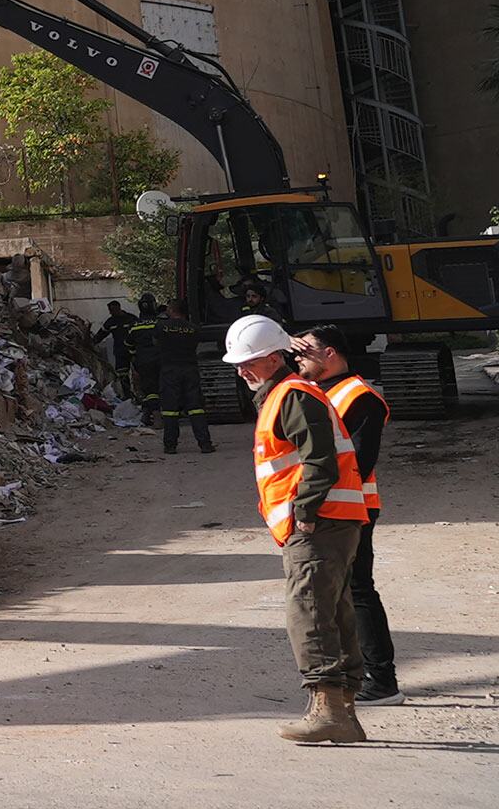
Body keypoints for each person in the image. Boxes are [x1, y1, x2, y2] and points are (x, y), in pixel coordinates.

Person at [221, 314, 373, 744]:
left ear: (273, 359)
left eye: (249, 362)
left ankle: (329, 711)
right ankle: (343, 713)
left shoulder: (291, 395)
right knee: (333, 611)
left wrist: (303, 511)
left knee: (308, 611)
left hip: (317, 522)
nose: (241, 370)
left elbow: (319, 458)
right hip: (332, 521)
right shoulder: (285, 393)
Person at [295, 330, 396, 703]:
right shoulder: (317, 392)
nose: (298, 359)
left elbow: (360, 461)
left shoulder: (358, 397)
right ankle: (362, 675)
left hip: (354, 507)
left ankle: (382, 680)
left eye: (306, 352)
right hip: (333, 505)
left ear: (331, 353)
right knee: (343, 593)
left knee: (358, 590)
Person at [150, 303, 213, 454]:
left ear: (172, 311)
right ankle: (205, 444)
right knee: (196, 408)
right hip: (190, 369)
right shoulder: (193, 328)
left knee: (170, 410)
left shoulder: (161, 327)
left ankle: (170, 446)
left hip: (169, 371)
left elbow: (155, 343)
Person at [127, 296, 164, 427]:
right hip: (161, 359)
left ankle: (150, 414)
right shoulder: (159, 323)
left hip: (143, 361)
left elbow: (129, 344)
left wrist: (134, 358)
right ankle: (157, 416)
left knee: (149, 389)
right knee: (161, 387)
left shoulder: (134, 325)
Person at [94, 300, 135, 381]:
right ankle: (126, 392)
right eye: (110, 310)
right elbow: (101, 334)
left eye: (112, 310)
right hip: (120, 352)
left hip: (133, 351)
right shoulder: (110, 322)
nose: (110, 313)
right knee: (122, 375)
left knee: (139, 372)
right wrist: (92, 342)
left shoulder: (131, 318)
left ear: (118, 308)